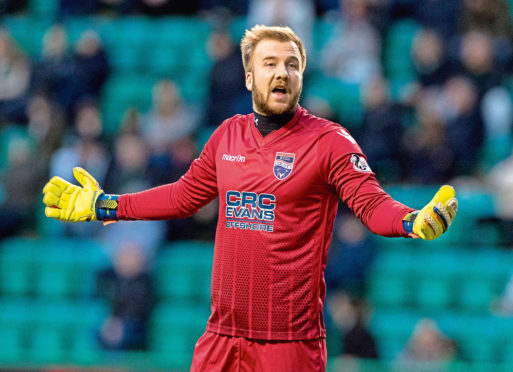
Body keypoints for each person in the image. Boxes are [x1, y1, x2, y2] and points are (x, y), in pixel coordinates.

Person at [42, 25, 458, 372]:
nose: (282, 73)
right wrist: (106, 205)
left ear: (301, 77)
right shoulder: (227, 135)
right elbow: (183, 196)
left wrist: (410, 221)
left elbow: (371, 204)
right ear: (248, 77)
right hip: (221, 338)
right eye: (270, 64)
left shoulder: (330, 142)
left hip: (289, 345)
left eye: (292, 65)